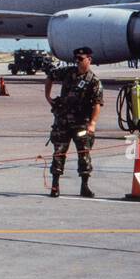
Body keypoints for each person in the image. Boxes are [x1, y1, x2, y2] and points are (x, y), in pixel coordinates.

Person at [44, 46, 103, 198]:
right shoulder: (68, 72)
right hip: (62, 121)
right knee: (58, 153)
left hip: (81, 123)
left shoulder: (93, 81)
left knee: (84, 153)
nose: (77, 62)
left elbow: (97, 104)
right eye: (76, 59)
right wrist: (48, 97)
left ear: (89, 59)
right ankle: (55, 186)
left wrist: (92, 124)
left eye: (81, 59)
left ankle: (84, 186)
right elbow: (50, 75)